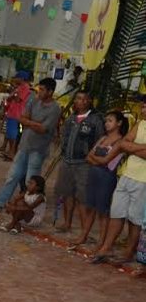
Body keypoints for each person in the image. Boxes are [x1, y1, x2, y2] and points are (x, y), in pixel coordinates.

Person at [0, 78, 61, 211]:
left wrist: (29, 122)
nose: (39, 92)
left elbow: (43, 129)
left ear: (50, 92)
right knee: (12, 176)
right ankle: (0, 203)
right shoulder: (34, 101)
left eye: (42, 90)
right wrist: (34, 123)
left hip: (38, 148)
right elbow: (21, 118)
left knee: (31, 180)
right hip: (25, 145)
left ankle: (29, 208)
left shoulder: (55, 109)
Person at [92, 99, 146, 265]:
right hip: (126, 175)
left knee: (134, 219)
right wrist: (139, 147)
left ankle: (128, 252)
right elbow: (122, 144)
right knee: (116, 213)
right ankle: (106, 248)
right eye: (143, 105)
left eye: (145, 105)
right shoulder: (140, 123)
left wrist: (131, 147)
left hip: (142, 179)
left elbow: (127, 145)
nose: (143, 108)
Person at [70, 111, 128, 250]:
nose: (107, 123)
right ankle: (84, 235)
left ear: (119, 123)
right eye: (106, 121)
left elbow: (106, 162)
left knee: (103, 211)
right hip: (94, 174)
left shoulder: (120, 142)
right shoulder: (103, 138)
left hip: (106, 178)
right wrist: (99, 161)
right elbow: (89, 156)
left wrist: (97, 160)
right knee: (90, 207)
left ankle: (101, 241)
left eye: (110, 121)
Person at [53, 91, 105, 233]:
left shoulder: (96, 120)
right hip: (67, 161)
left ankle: (84, 230)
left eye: (83, 99)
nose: (79, 101)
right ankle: (67, 223)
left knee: (83, 198)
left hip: (84, 164)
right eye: (77, 98)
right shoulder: (71, 118)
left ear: (89, 101)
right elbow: (64, 136)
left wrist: (92, 158)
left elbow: (101, 141)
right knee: (67, 194)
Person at [0, 72, 32, 160]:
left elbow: (18, 99)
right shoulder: (19, 87)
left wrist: (13, 96)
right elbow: (11, 97)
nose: (15, 79)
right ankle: (10, 151)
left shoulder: (25, 88)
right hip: (12, 112)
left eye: (16, 78)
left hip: (18, 114)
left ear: (22, 79)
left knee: (14, 134)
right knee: (10, 133)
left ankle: (12, 152)